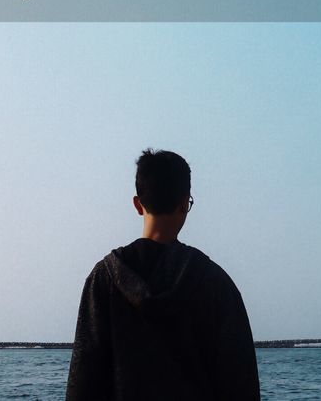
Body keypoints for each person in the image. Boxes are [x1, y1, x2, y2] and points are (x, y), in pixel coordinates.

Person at [66, 149, 260, 401]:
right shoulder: (215, 282)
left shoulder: (104, 279)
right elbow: (240, 382)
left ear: (138, 204)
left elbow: (84, 380)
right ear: (184, 203)